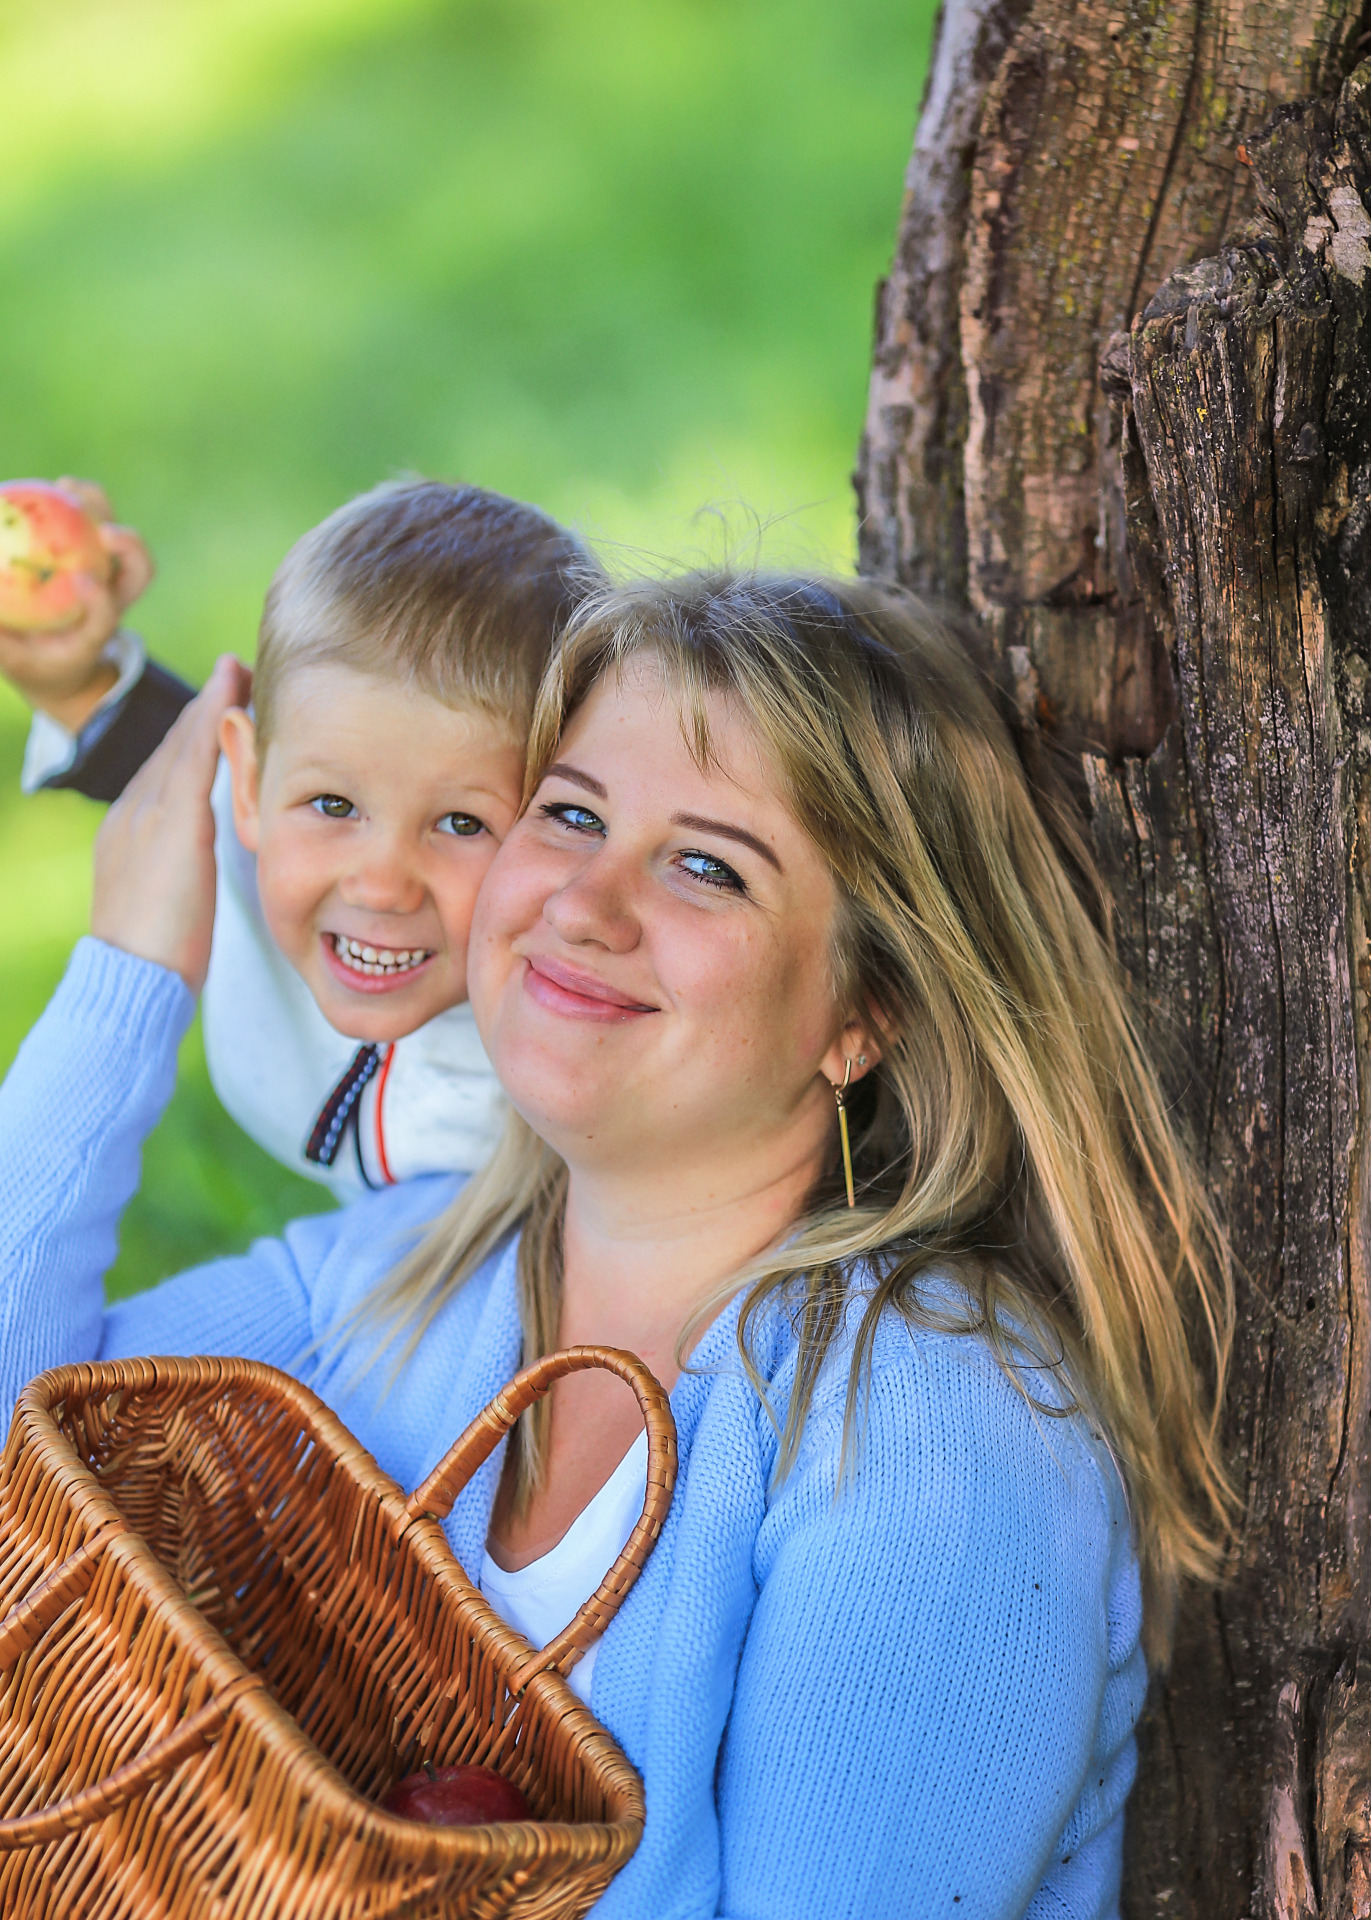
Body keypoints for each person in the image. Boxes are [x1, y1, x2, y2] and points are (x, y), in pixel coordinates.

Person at [0, 569, 1233, 1917]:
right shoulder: (396, 1278)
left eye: (707, 866)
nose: (583, 904)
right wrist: (129, 972)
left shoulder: (934, 1417)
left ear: (861, 1014)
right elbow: (26, 1474)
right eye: (570, 814)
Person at [4, 478, 601, 1194]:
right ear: (253, 786)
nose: (380, 886)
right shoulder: (243, 835)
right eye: (334, 804)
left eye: (462, 823)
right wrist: (73, 677)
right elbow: (160, 756)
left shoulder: (579, 1036)